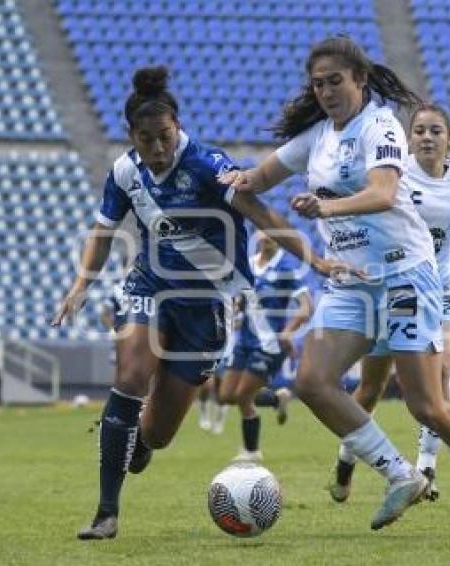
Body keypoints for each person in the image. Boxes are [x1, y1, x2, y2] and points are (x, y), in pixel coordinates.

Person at [225, 36, 450, 533]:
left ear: (359, 80)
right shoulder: (314, 138)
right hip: (352, 282)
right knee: (312, 382)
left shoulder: (379, 125)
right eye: (318, 84)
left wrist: (327, 207)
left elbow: (381, 193)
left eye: (335, 81)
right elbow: (253, 190)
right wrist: (243, 190)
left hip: (406, 275)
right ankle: (400, 474)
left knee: (428, 406)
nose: (326, 91)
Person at [51, 65, 352, 541]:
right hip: (150, 285)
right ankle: (106, 513)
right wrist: (80, 285)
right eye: (146, 139)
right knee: (129, 377)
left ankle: (140, 443)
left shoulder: (209, 166)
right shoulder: (125, 172)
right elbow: (103, 232)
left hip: (208, 305)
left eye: (164, 137)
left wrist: (315, 259)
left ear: (178, 129)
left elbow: (261, 212)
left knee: (159, 433)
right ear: (131, 135)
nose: (157, 148)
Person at [329, 103, 450, 503]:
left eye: (436, 130)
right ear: (408, 138)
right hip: (394, 285)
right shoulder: (393, 178)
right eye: (419, 131)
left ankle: (426, 469)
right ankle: (346, 458)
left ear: (449, 138)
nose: (427, 137)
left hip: (439, 289)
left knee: (441, 375)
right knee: (371, 387)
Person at [219, 229, 312, 461]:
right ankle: (276, 398)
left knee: (243, 395)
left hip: (271, 344)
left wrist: (289, 332)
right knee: (227, 394)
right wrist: (233, 315)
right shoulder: (248, 266)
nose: (266, 236)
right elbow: (240, 300)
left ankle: (252, 451)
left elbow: (306, 306)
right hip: (245, 341)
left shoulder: (286, 269)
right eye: (262, 231)